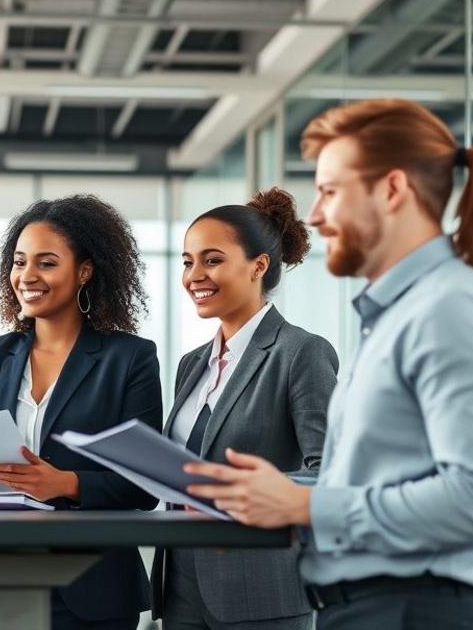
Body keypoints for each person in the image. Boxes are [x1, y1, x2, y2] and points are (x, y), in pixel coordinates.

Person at [182, 99, 473, 630]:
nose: (315, 216)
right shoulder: (394, 316)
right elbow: (369, 483)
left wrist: (305, 506)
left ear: (392, 190)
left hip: (419, 611)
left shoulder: (452, 308)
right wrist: (270, 500)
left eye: (329, 192)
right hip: (369, 607)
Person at [0, 195, 162, 629]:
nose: (27, 276)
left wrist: (64, 483)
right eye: (19, 262)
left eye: (47, 263)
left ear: (85, 271)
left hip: (93, 587)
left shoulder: (129, 359)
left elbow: (145, 483)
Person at [152, 187, 337, 630]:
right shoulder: (190, 364)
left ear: (258, 266)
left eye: (212, 260)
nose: (194, 274)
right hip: (181, 583)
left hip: (262, 586)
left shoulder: (300, 352)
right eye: (187, 261)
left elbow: (332, 470)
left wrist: (244, 490)